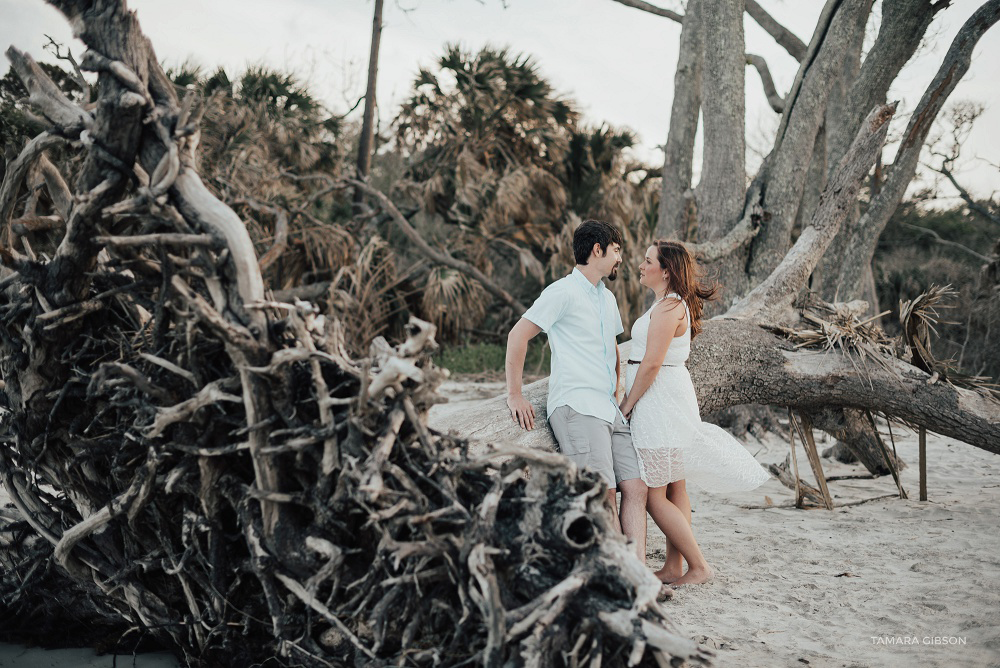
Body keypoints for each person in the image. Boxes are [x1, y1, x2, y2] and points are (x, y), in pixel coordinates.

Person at [620, 240, 770, 585]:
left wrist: (627, 405)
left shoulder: (670, 308)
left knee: (654, 495)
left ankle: (699, 566)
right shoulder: (668, 304)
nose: (641, 266)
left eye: (647, 261)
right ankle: (675, 567)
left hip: (659, 403)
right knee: (675, 487)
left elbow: (652, 362)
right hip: (666, 399)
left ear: (666, 270)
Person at [505, 220, 648, 558]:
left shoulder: (606, 298)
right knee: (602, 493)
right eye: (616, 250)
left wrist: (616, 391)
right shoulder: (562, 292)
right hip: (577, 406)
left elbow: (612, 348)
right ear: (597, 250)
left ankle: (639, 569)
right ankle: (621, 574)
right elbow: (517, 336)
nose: (620, 259)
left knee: (636, 486)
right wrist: (515, 393)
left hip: (607, 406)